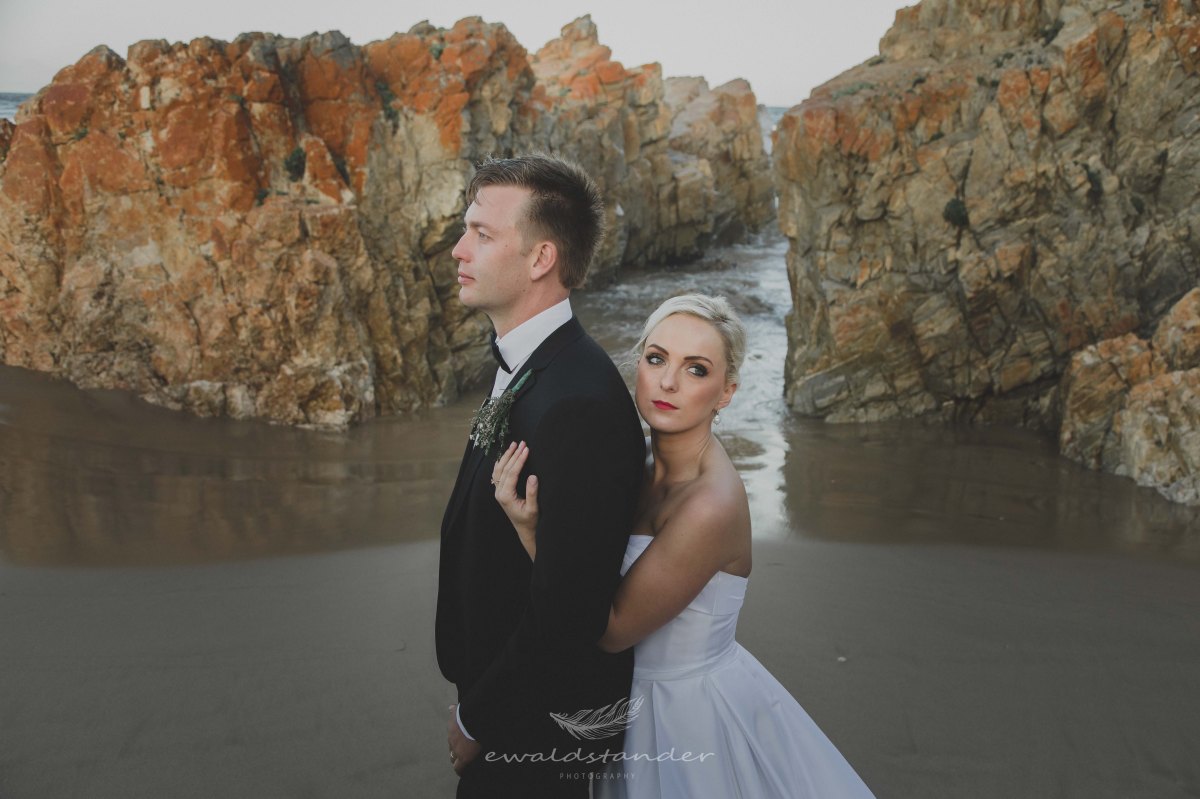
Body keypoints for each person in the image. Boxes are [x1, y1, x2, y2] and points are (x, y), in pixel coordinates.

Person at [491, 294, 877, 798]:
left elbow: (609, 630)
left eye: (696, 370)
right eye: (656, 359)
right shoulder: (637, 466)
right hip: (623, 697)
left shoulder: (710, 506)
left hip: (684, 715)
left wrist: (531, 533)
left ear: (726, 392)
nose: (668, 382)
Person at [435, 154, 646, 798]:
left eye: (482, 234)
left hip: (531, 732)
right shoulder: (534, 364)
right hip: (501, 697)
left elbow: (570, 612)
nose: (458, 250)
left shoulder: (579, 402)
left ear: (541, 259)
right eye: (465, 230)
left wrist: (481, 719)